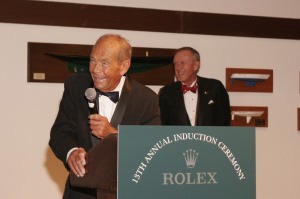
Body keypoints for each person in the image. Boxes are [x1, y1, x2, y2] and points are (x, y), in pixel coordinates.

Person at [49, 34, 161, 199]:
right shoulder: (75, 86)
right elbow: (60, 133)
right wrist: (71, 152)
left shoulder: (147, 100)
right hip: (80, 193)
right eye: (92, 60)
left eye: (104, 63)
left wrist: (113, 135)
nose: (95, 69)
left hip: (129, 191)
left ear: (124, 66)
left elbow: (154, 149)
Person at [159, 46, 231, 126]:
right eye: (175, 64)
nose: (178, 68)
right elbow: (162, 125)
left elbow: (225, 122)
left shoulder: (215, 87)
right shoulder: (166, 92)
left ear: (195, 66)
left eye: (182, 63)